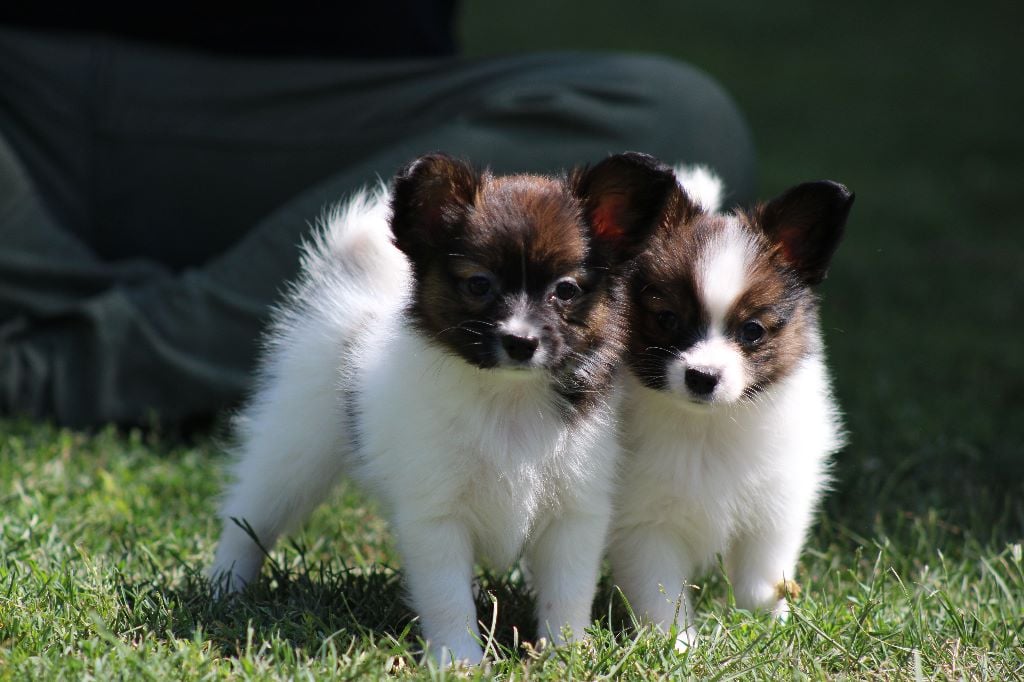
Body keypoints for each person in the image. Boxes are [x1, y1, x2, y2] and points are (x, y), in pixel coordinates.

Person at [0, 4, 756, 429]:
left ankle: (159, 344)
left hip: (360, 95)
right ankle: (79, 368)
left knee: (678, 122)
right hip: (39, 86)